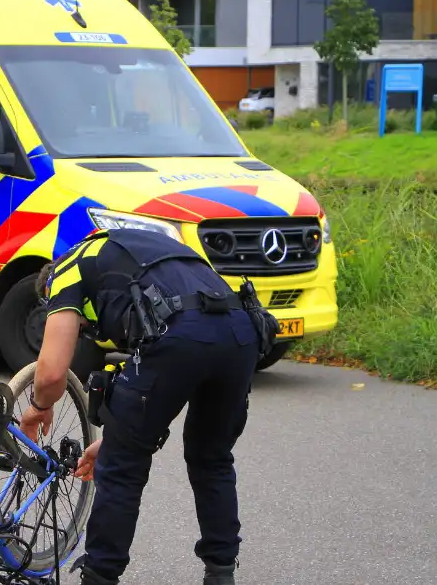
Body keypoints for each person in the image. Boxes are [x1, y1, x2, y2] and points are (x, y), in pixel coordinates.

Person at [20, 226, 273, 585]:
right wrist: (118, 435)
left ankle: (100, 577)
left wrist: (38, 407)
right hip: (241, 332)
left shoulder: (67, 269)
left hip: (180, 334)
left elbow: (49, 375)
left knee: (122, 468)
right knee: (212, 458)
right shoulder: (142, 249)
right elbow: (161, 393)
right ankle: (221, 573)